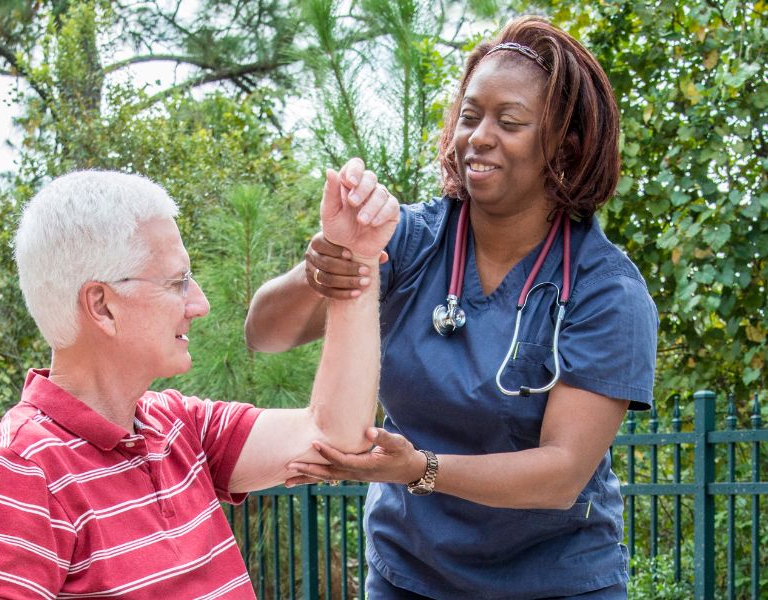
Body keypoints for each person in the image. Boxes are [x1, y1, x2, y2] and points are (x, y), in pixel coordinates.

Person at [244, 15, 658, 600]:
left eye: (508, 122)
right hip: (408, 575)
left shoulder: (605, 290)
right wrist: (330, 259)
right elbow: (265, 332)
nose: (479, 137)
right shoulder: (408, 241)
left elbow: (562, 475)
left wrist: (420, 470)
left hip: (554, 582)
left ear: (564, 144)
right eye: (469, 115)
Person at [0, 168, 398, 599]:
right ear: (101, 306)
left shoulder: (177, 424)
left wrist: (356, 260)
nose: (199, 304)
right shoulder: (18, 473)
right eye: (177, 283)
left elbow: (334, 438)